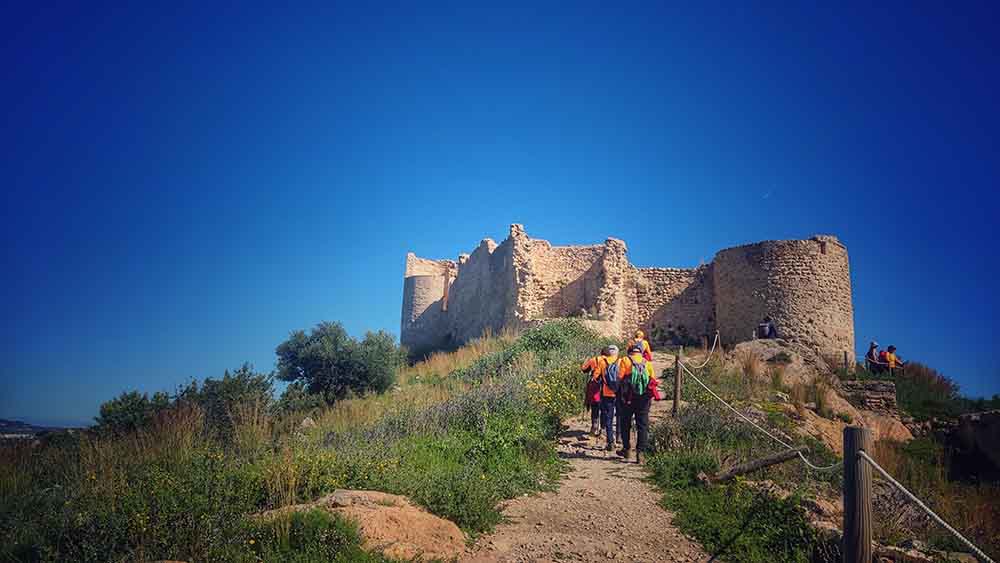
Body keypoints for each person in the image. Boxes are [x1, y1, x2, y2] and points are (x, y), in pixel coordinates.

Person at [616, 342, 659, 464]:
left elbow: (619, 378)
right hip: (644, 398)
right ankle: (641, 453)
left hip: (627, 397)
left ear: (629, 351)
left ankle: (626, 449)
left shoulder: (625, 360)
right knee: (642, 424)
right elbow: (653, 380)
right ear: (641, 352)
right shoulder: (647, 363)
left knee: (625, 423)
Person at [591, 345, 621, 451]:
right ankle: (619, 436)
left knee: (609, 417)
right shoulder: (621, 361)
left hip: (607, 393)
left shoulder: (603, 362)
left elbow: (595, 377)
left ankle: (610, 442)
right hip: (619, 393)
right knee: (620, 416)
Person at [581, 347, 610, 436]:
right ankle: (603, 428)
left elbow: (584, 370)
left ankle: (594, 424)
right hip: (606, 386)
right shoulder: (610, 360)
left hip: (594, 385)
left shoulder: (594, 360)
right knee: (604, 408)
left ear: (601, 353)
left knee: (595, 405)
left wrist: (585, 361)